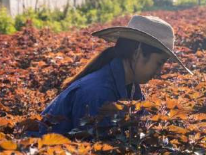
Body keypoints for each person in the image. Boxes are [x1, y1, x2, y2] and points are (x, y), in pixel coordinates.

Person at [38, 15, 192, 135]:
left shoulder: (131, 88)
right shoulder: (98, 92)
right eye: (159, 63)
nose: (160, 72)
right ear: (138, 52)